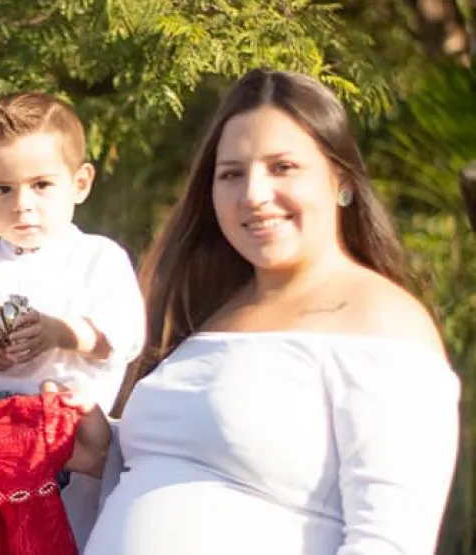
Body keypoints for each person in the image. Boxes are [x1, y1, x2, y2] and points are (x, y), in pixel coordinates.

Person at [64, 68, 461, 555]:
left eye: (282, 167)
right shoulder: (210, 315)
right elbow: (162, 481)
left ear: (341, 180)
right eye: (231, 173)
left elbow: (391, 540)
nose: (253, 194)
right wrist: (96, 456)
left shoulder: (382, 321)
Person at [0, 91, 145, 547]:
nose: (22, 204)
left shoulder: (96, 258)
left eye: (41, 185)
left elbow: (123, 337)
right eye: (3, 188)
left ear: (80, 183)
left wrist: (62, 333)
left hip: (68, 440)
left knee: (61, 536)